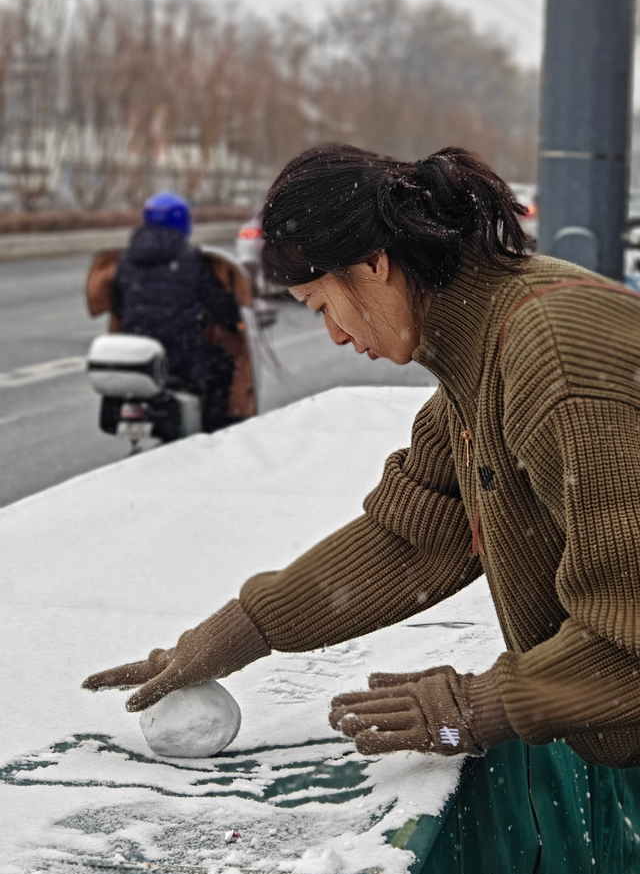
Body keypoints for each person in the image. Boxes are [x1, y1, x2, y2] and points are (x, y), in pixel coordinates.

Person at [84, 144, 640, 769]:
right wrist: (234, 634)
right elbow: (416, 534)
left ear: (375, 264)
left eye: (324, 306)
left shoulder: (554, 357)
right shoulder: (479, 353)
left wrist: (478, 707)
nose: (336, 336)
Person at [111, 191, 241, 433]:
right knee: (222, 365)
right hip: (181, 356)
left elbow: (118, 305)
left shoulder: (126, 259)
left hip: (138, 353)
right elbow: (220, 307)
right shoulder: (192, 260)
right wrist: (233, 321)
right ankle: (213, 431)